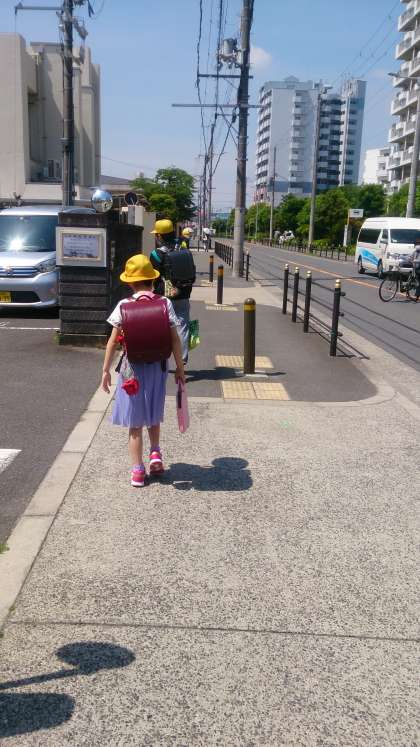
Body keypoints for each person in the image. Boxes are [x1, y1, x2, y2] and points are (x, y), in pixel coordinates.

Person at [102, 254, 185, 488]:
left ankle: (138, 471)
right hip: (158, 367)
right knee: (153, 414)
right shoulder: (164, 303)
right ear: (152, 279)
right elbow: (175, 339)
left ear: (130, 283)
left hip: (132, 371)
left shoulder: (124, 305)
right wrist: (180, 368)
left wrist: (105, 370)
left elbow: (113, 342)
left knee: (135, 422)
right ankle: (155, 454)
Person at [150, 218, 195, 363]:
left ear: (159, 236)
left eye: (156, 235)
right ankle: (181, 359)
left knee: (162, 325)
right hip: (184, 290)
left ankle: (161, 357)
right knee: (183, 325)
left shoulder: (157, 254)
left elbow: (154, 276)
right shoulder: (183, 247)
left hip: (166, 290)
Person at [410, 236, 420, 301]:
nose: (417, 246)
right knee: (417, 281)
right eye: (416, 244)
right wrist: (401, 257)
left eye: (418, 244)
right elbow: (410, 257)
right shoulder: (415, 252)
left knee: (419, 281)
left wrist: (414, 260)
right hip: (416, 268)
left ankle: (417, 295)